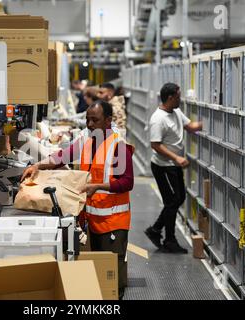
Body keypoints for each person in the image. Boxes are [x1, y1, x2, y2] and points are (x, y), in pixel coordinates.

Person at [21, 101, 134, 299]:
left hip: (113, 222)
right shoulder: (87, 141)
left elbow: (127, 182)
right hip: (90, 219)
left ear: (108, 121)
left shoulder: (118, 146)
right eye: (87, 119)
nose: (89, 124)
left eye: (95, 120)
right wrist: (38, 165)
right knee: (92, 271)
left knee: (112, 275)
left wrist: (98, 186)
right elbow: (62, 157)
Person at [145, 83, 202, 254]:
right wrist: (176, 157)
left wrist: (210, 123)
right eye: (178, 96)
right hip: (163, 166)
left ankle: (156, 230)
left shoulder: (176, 112)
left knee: (176, 199)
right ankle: (169, 239)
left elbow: (190, 126)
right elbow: (155, 144)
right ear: (170, 98)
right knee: (173, 200)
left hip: (173, 165)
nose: (180, 99)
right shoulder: (158, 118)